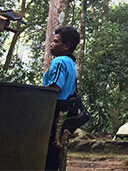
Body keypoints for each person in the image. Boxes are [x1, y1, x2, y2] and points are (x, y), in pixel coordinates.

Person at [43, 26, 80, 171]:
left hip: (53, 108)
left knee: (48, 149)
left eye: (56, 41)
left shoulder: (59, 62)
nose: (51, 44)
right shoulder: (71, 63)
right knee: (54, 149)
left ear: (66, 46)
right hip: (62, 110)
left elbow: (55, 88)